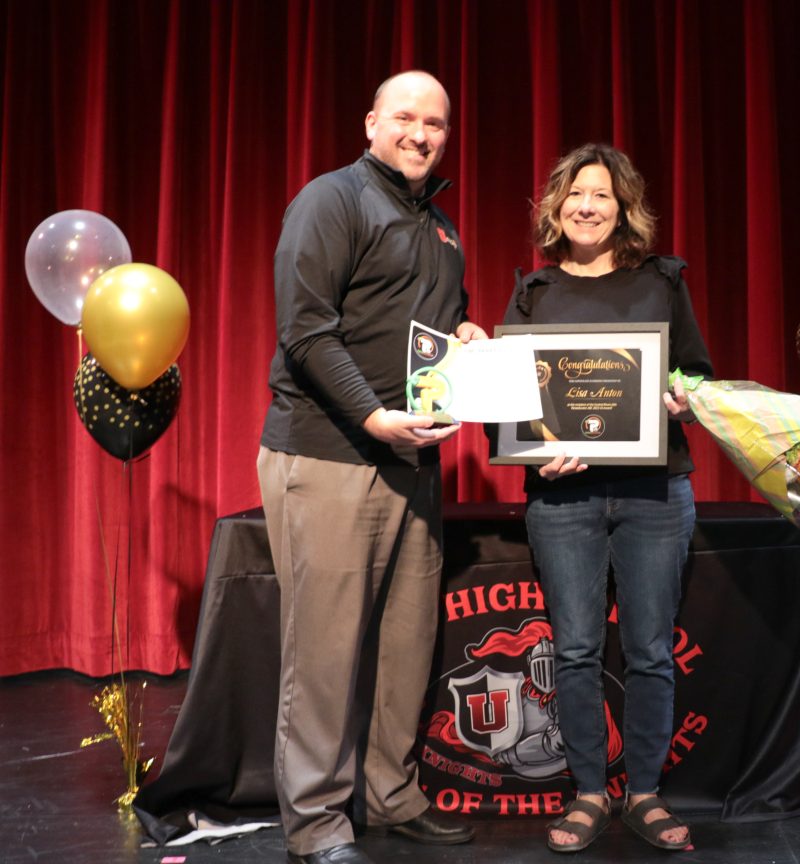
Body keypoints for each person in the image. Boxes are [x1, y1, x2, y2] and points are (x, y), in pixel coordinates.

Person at [257, 70, 485, 864]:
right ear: (371, 122)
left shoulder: (441, 227)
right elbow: (307, 330)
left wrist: (468, 340)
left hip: (411, 464)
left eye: (437, 124)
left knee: (406, 640)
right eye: (406, 118)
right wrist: (374, 417)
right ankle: (317, 821)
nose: (421, 134)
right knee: (323, 650)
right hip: (329, 453)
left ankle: (390, 795)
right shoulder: (333, 200)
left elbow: (435, 327)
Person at [501, 143, 713, 853]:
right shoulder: (534, 291)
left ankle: (645, 794)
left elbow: (698, 373)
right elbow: (508, 402)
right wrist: (534, 449)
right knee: (577, 651)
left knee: (651, 650)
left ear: (624, 209)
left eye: (602, 196)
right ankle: (590, 793)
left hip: (654, 493)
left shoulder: (662, 280)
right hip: (564, 500)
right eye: (575, 196)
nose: (587, 207)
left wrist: (685, 395)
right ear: (555, 209)